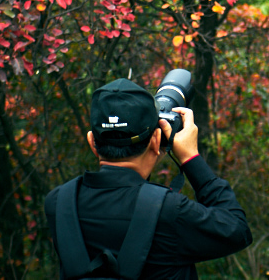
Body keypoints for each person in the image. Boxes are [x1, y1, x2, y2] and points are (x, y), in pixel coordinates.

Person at [44, 78, 252, 280]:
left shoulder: (59, 203)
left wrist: (150, 154)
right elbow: (236, 230)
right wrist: (190, 158)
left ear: (92, 142)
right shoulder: (168, 212)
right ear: (155, 139)